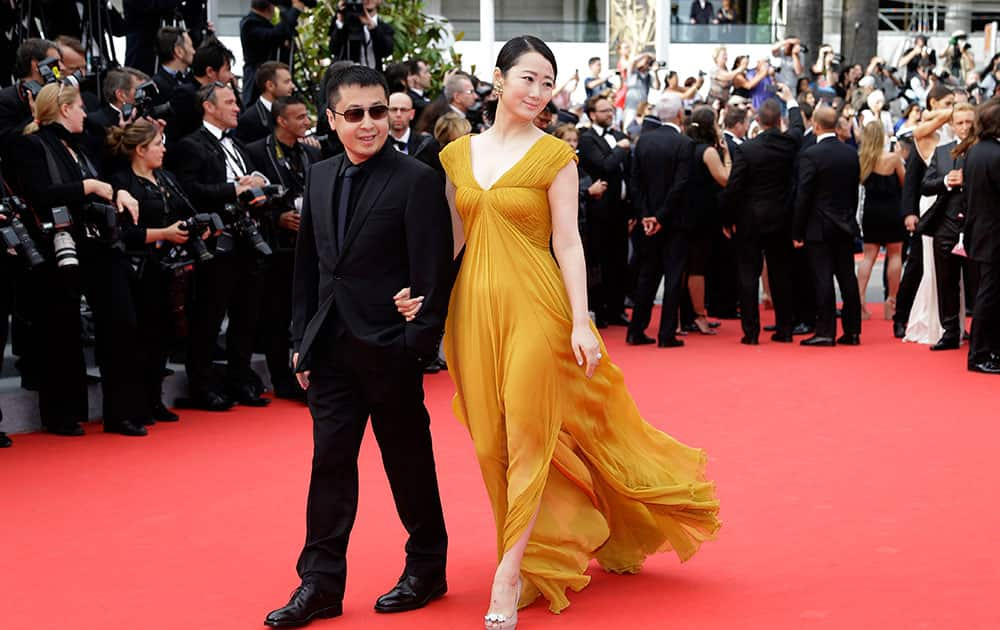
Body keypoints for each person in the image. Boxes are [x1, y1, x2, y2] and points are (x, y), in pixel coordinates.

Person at [397, 36, 719, 625]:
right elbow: (451, 241)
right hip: (474, 308)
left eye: (548, 82)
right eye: (528, 78)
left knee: (526, 431)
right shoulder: (454, 157)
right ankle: (536, 546)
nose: (539, 92)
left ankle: (508, 572)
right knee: (490, 440)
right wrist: (424, 296)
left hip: (537, 308)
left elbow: (569, 243)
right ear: (499, 79)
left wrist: (582, 320)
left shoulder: (555, 157)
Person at [265, 65, 453, 628]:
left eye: (379, 111)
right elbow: (309, 268)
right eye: (355, 114)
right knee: (330, 466)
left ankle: (427, 566)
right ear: (331, 120)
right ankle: (319, 584)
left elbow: (433, 271)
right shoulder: (319, 176)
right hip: (330, 350)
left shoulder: (417, 179)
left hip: (390, 349)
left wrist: (415, 343)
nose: (370, 124)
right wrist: (301, 339)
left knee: (407, 461)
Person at [12, 83, 141, 435]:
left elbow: (103, 184)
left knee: (121, 321)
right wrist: (89, 187)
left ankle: (122, 411)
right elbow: (40, 195)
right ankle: (61, 414)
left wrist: (113, 191)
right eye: (81, 107)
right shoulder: (30, 144)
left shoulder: (81, 147)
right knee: (60, 331)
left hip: (98, 243)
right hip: (58, 246)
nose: (86, 113)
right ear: (64, 109)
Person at [167, 81, 270, 411]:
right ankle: (202, 385)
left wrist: (257, 183)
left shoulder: (237, 144)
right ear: (208, 107)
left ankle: (240, 380)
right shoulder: (190, 145)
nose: (237, 107)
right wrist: (234, 189)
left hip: (248, 238)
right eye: (229, 101)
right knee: (208, 317)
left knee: (247, 313)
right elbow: (188, 190)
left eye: (237, 101)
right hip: (216, 241)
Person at [107, 119, 192, 425]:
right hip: (134, 272)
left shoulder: (166, 178)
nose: (164, 149)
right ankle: (132, 408)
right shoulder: (121, 183)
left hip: (166, 271)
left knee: (160, 337)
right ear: (140, 150)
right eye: (158, 144)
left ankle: (153, 400)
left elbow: (187, 212)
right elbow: (123, 233)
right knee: (136, 341)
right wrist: (164, 233)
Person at [244, 95, 321, 399]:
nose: (306, 122)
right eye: (300, 117)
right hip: (275, 248)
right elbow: (249, 195)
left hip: (309, 244)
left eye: (307, 116)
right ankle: (282, 379)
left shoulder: (312, 154)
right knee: (276, 315)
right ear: (281, 120)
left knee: (307, 311)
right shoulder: (256, 152)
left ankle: (308, 371)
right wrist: (277, 218)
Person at [722, 87, 805, 344]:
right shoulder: (789, 143)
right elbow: (799, 126)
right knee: (781, 274)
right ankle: (785, 329)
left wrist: (727, 219)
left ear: (757, 121)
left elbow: (734, 187)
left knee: (748, 275)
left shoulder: (747, 150)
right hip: (781, 218)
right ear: (780, 121)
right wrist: (791, 100)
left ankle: (751, 332)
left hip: (750, 220)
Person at [628, 92, 696, 348]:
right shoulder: (684, 144)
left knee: (647, 274)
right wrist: (660, 216)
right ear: (680, 115)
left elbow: (636, 183)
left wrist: (647, 215)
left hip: (649, 221)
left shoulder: (643, 142)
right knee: (673, 277)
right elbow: (680, 185)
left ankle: (636, 330)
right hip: (674, 222)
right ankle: (666, 334)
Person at [792, 105, 862, 346]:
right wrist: (849, 218)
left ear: (816, 125)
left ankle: (825, 331)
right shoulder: (850, 153)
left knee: (822, 278)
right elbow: (854, 192)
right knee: (847, 277)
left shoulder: (810, 154)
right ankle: (852, 331)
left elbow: (804, 195)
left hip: (818, 226)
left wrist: (797, 230)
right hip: (844, 223)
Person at [917, 103, 977, 351]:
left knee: (979, 284)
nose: (964, 127)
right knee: (946, 283)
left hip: (976, 226)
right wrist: (945, 181)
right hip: (945, 227)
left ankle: (981, 331)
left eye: (968, 122)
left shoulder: (984, 150)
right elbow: (926, 185)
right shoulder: (942, 152)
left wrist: (968, 180)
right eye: (960, 122)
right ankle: (950, 332)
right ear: (952, 125)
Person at [903, 85, 957, 344]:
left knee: (952, 267)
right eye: (947, 102)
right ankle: (927, 321)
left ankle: (951, 323)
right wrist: (909, 211)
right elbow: (913, 180)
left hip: (953, 201)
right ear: (934, 103)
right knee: (928, 267)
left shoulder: (955, 130)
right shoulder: (925, 131)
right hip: (932, 203)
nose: (952, 106)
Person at [577, 94, 632, 328]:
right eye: (604, 111)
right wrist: (620, 149)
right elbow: (605, 165)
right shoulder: (587, 139)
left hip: (621, 208)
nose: (610, 114)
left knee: (620, 259)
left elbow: (629, 173)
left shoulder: (620, 136)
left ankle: (618, 308)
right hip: (599, 211)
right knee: (599, 260)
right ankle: (600, 310)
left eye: (611, 110)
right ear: (592, 115)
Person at [684, 105, 730, 335]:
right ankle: (699, 314)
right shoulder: (708, 151)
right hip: (701, 215)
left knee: (690, 265)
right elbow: (725, 179)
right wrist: (728, 154)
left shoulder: (687, 146)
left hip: (689, 213)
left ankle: (689, 315)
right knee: (697, 267)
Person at [963, 98, 1000, 374]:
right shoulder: (995, 154)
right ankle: (979, 354)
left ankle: (988, 349)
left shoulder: (976, 152)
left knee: (989, 292)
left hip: (981, 231)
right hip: (993, 233)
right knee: (989, 294)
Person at [855, 121, 905, 322]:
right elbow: (905, 182)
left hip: (871, 212)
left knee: (868, 258)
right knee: (895, 255)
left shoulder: (861, 160)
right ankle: (891, 303)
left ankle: (859, 302)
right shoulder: (893, 159)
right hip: (892, 211)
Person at [239, 0, 305, 109]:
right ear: (270, 6)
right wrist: (294, 11)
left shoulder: (263, 24)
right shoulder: (249, 23)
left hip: (271, 81)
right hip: (256, 83)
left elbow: (278, 37)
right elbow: (274, 36)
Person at [236, 61, 295, 143]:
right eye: (286, 82)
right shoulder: (249, 120)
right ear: (270, 85)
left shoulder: (291, 111)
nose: (292, 86)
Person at [329, 0, 394, 72]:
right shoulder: (344, 23)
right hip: (345, 76)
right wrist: (341, 22)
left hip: (372, 77)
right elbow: (333, 49)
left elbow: (387, 51)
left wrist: (372, 27)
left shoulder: (385, 28)